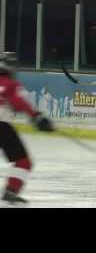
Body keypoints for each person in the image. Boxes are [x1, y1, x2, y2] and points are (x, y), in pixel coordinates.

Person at [0, 52, 54, 205]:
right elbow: (20, 102)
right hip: (2, 127)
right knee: (24, 162)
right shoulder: (11, 85)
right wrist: (38, 118)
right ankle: (11, 192)